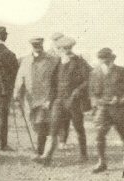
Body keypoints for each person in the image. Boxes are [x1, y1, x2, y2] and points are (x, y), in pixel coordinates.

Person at [39, 36, 91, 164]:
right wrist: (49, 99)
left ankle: (83, 155)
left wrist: (78, 91)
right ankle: (47, 156)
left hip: (74, 101)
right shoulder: (58, 62)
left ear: (69, 48)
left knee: (79, 127)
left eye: (65, 48)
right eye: (61, 48)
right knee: (53, 127)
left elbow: (88, 79)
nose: (63, 50)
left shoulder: (79, 62)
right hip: (59, 100)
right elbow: (53, 83)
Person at [14, 38, 59, 158]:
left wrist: (51, 98)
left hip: (46, 98)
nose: (37, 48)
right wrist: (17, 94)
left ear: (42, 45)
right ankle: (43, 151)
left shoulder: (52, 60)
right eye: (35, 46)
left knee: (41, 125)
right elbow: (20, 78)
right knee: (35, 125)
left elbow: (56, 81)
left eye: (39, 46)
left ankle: (40, 153)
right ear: (32, 47)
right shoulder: (26, 60)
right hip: (31, 99)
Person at [89, 47, 124, 173]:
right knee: (99, 135)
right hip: (103, 109)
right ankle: (101, 162)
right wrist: (96, 102)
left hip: (120, 109)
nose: (105, 63)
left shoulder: (123, 71)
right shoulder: (94, 73)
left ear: (112, 59)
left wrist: (122, 99)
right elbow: (91, 92)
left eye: (108, 60)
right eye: (102, 60)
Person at [0, 26, 19, 151]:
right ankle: (2, 144)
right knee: (2, 117)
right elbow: (15, 74)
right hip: (4, 90)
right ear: (5, 37)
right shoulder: (11, 54)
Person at [47, 32, 71, 150]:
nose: (58, 42)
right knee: (53, 116)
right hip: (52, 89)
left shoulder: (66, 52)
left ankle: (62, 140)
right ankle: (52, 140)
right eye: (56, 40)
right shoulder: (48, 54)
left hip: (64, 92)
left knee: (65, 117)